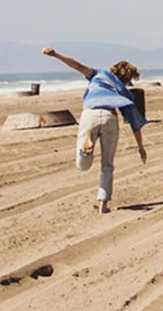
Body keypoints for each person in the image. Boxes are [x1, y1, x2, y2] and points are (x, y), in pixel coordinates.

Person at [42, 47, 148, 214]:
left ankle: (86, 147)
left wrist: (55, 55)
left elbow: (76, 65)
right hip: (110, 117)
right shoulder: (125, 92)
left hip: (89, 115)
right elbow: (135, 123)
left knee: (82, 166)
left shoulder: (98, 74)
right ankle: (103, 205)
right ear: (127, 79)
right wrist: (141, 147)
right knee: (107, 165)